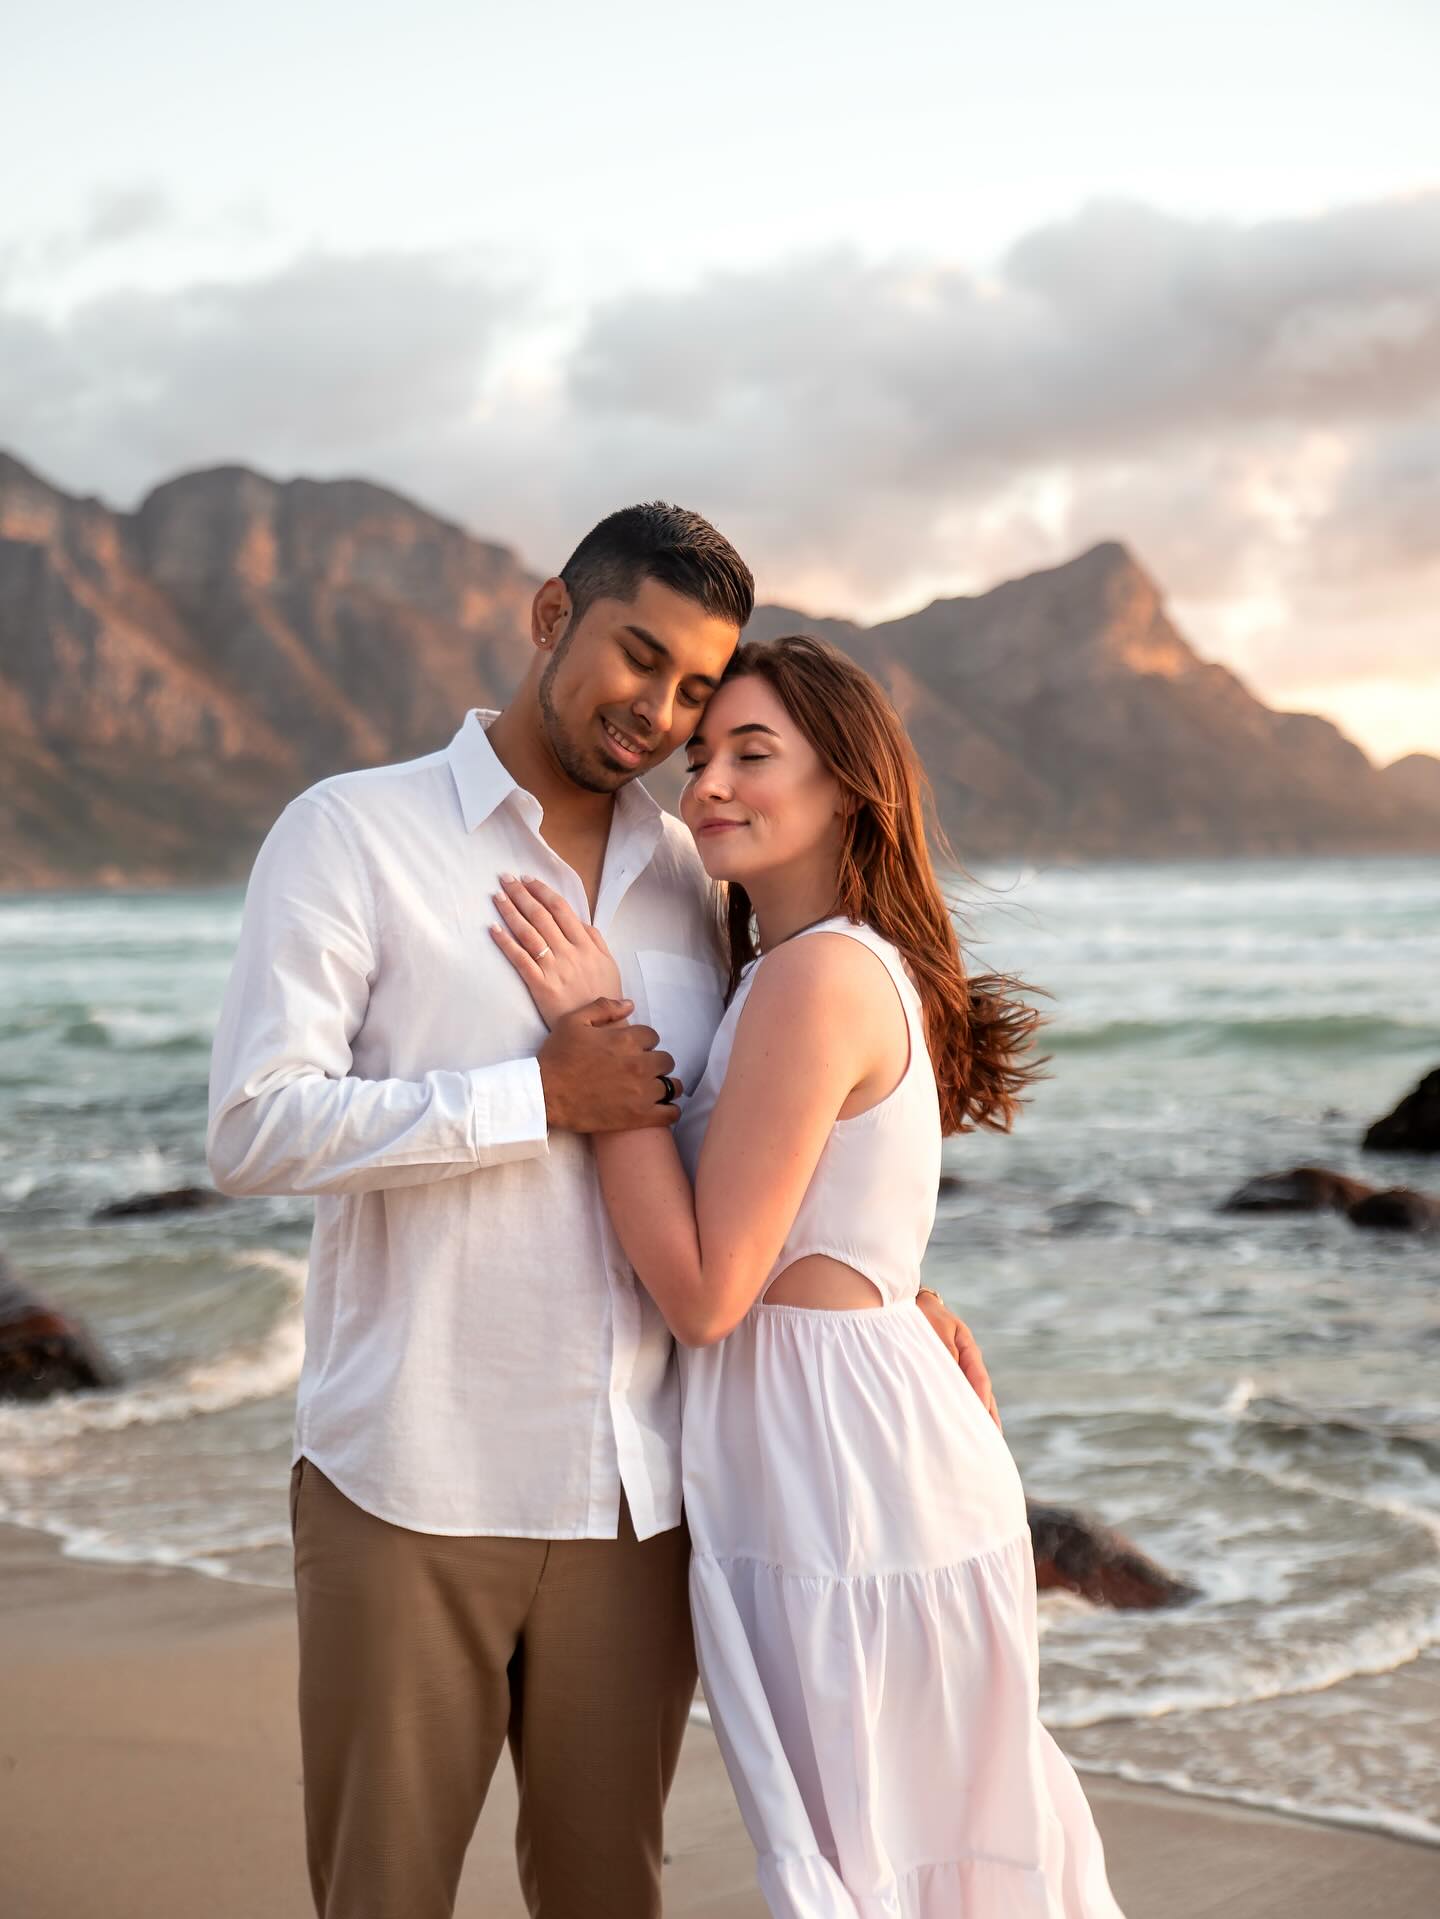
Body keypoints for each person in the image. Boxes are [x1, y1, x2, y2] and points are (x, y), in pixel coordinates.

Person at [206, 505, 993, 1919]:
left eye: (700, 691)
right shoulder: (353, 832)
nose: (663, 711)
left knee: (606, 1894)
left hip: (646, 1497)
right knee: (381, 1894)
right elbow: (257, 1124)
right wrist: (535, 1094)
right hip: (413, 1480)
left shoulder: (701, 871)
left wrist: (880, 1281)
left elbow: (774, 1117)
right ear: (550, 615)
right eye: (642, 656)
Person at [490, 634, 1127, 1918]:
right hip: (837, 1444)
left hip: (841, 1473)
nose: (708, 783)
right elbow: (833, 1218)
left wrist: (597, 1046)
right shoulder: (802, 970)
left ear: (849, 786)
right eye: (701, 755)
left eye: (752, 753)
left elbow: (711, 1292)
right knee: (919, 1848)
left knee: (885, 1864)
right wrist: (910, 1298)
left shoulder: (815, 975)